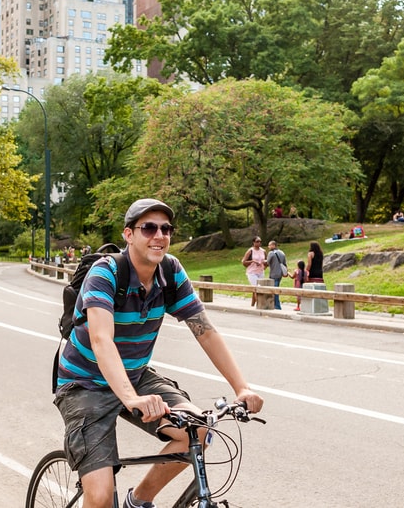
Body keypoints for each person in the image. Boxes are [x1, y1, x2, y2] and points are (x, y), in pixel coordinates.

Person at [54, 198, 264, 508]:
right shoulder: (105, 273)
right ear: (129, 235)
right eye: (149, 228)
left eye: (166, 229)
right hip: (84, 385)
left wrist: (241, 387)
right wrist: (131, 398)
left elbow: (204, 331)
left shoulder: (170, 271)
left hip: (136, 377)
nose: (159, 235)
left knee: (198, 433)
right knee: (98, 497)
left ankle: (137, 502)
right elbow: (101, 340)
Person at [240, 236, 267, 307]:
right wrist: (252, 261)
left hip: (260, 272)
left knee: (256, 288)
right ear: (253, 242)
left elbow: (266, 261)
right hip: (252, 272)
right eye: (257, 241)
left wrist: (264, 265)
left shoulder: (263, 251)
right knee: (256, 288)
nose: (259, 243)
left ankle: (252, 304)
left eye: (260, 241)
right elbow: (243, 261)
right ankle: (260, 305)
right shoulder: (250, 251)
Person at [265, 240, 289, 310]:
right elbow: (284, 263)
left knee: (274, 291)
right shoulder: (282, 253)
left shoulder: (271, 253)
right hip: (280, 274)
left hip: (273, 274)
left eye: (269, 245)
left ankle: (277, 306)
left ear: (273, 245)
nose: (268, 246)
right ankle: (275, 305)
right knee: (277, 289)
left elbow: (268, 262)